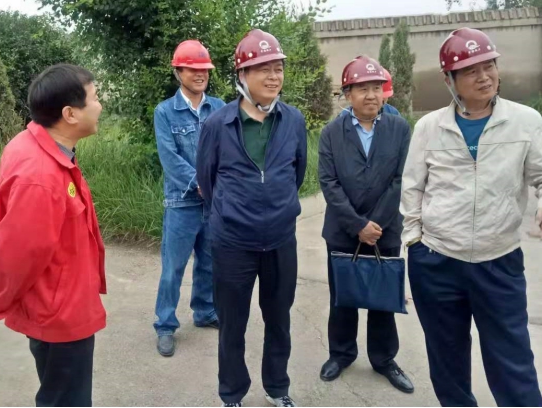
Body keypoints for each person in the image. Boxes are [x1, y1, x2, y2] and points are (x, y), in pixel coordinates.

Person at [401, 27, 542, 407]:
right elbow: (412, 188)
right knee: (447, 359)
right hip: (437, 261)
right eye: (470, 70)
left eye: (489, 65)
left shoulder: (526, 121)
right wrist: (414, 242)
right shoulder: (430, 127)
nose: (484, 76)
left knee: (512, 361)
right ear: (449, 80)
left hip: (499, 261)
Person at [196, 29, 307, 407]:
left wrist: (276, 207)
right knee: (232, 324)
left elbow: (297, 173)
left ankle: (277, 389)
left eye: (278, 69)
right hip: (232, 244)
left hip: (280, 240)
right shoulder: (218, 124)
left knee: (279, 320)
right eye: (263, 69)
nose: (274, 77)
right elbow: (207, 180)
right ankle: (232, 393)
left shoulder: (293, 121)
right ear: (242, 75)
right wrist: (234, 211)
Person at [0, 64, 106, 407]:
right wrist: (1, 300)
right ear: (70, 114)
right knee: (66, 400)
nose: (100, 106)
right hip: (59, 314)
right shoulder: (40, 175)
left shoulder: (36, 146)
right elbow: (18, 254)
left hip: (61, 301)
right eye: (95, 98)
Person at [318, 55, 414, 394]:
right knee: (342, 297)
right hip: (343, 230)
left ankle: (384, 358)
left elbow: (402, 179)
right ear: (348, 94)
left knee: (382, 299)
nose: (371, 95)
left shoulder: (399, 129)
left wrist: (375, 223)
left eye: (376, 88)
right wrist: (358, 224)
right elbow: (329, 182)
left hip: (385, 231)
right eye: (363, 89)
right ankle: (341, 354)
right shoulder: (331, 133)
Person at [153, 40, 225, 357]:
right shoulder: (165, 112)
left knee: (209, 263)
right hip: (181, 203)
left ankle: (205, 311)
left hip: (214, 203)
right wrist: (201, 182)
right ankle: (165, 325)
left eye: (204, 69)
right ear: (178, 71)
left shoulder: (220, 108)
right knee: (173, 268)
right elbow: (170, 159)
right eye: (193, 69)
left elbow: (230, 150)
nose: (200, 74)